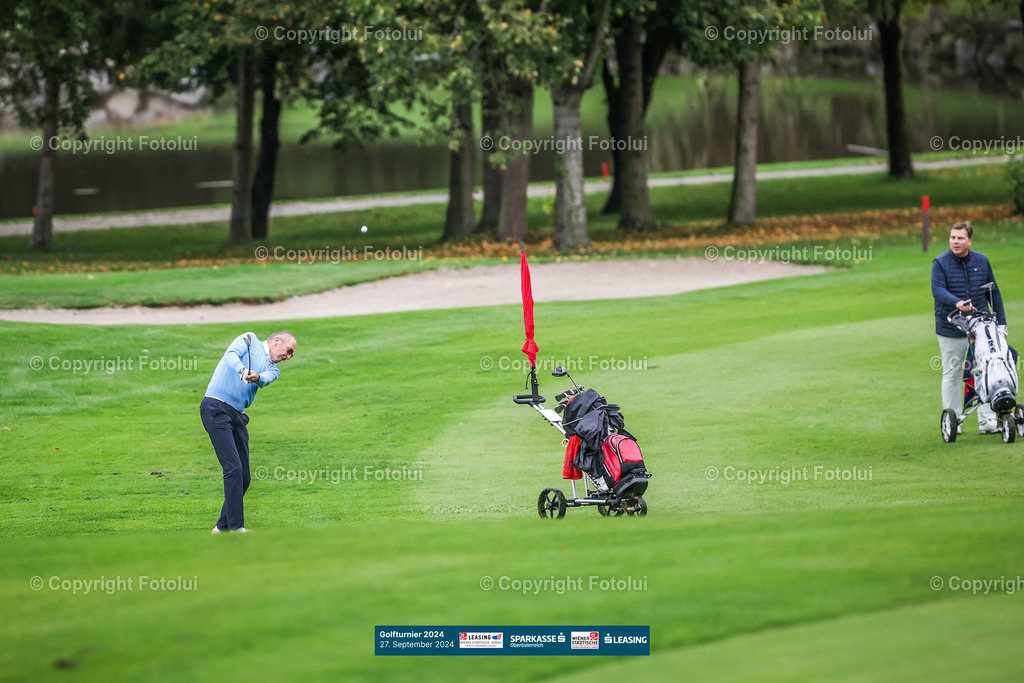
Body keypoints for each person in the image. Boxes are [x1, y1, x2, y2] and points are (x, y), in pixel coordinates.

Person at [202, 330, 296, 533]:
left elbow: (264, 379)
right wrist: (242, 371)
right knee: (233, 469)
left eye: (291, 355)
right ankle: (236, 528)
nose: (288, 357)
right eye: (288, 351)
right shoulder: (250, 339)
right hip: (216, 406)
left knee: (244, 476)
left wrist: (256, 376)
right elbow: (230, 355)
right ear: (277, 340)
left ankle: (221, 527)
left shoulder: (274, 370)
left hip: (237, 415)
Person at [931, 222, 1007, 434]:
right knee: (953, 372)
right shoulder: (940, 262)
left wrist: (1001, 323)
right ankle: (954, 422)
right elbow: (937, 290)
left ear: (969, 241)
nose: (955, 241)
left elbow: (994, 292)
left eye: (960, 238)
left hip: (981, 327)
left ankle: (987, 420)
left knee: (984, 371)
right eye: (953, 237)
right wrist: (956, 302)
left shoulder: (982, 261)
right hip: (950, 328)